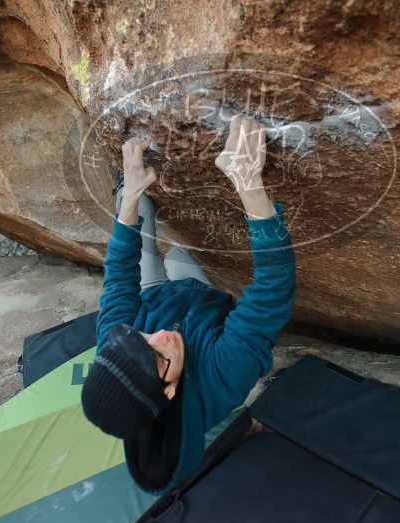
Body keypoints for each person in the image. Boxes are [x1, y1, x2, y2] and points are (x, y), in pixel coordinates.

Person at [81, 115, 296, 494]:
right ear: (168, 392)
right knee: (180, 255)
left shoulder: (116, 343)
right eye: (158, 356)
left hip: (156, 293)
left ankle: (127, 193)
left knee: (138, 210)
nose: (159, 336)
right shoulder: (222, 378)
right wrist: (248, 183)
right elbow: (271, 293)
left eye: (140, 338)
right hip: (200, 300)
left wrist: (130, 194)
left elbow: (118, 275)